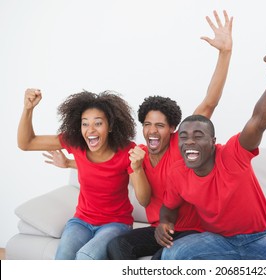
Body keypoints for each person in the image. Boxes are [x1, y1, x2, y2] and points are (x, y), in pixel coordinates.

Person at [44, 10, 233, 260]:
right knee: (117, 248)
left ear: (173, 129)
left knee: (160, 261)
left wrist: (225, 53)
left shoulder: (180, 145)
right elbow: (106, 170)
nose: (152, 131)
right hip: (157, 229)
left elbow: (209, 104)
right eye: (147, 124)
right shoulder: (138, 154)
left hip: (189, 230)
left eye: (160, 126)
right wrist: (69, 162)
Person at [155, 44, 266, 260]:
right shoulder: (178, 172)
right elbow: (169, 208)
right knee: (172, 255)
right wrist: (165, 223)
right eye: (183, 137)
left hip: (261, 237)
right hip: (216, 239)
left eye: (198, 136)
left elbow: (259, 121)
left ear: (213, 142)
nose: (189, 142)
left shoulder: (232, 156)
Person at [18, 90, 138, 260]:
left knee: (85, 257)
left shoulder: (127, 151)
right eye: (85, 124)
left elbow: (141, 193)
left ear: (110, 126)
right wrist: (28, 108)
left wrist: (138, 168)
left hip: (116, 224)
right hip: (82, 221)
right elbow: (26, 143)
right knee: (63, 257)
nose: (90, 130)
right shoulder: (77, 144)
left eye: (98, 123)